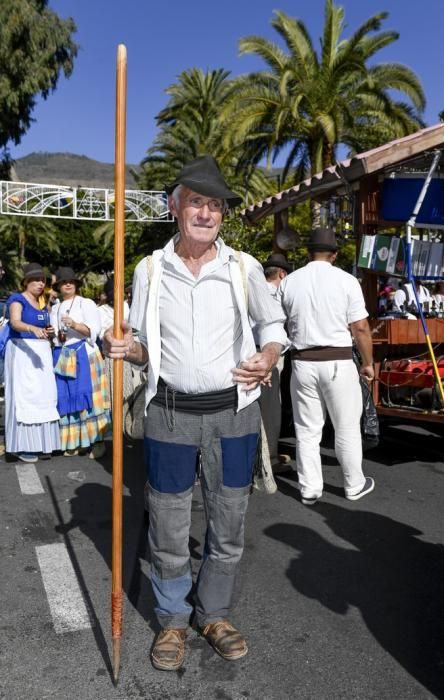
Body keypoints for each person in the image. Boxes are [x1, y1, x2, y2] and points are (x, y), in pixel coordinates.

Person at [104, 155, 287, 671]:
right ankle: (171, 620)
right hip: (170, 413)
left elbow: (273, 327)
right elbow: (141, 345)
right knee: (166, 519)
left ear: (222, 214)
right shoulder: (150, 269)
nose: (206, 213)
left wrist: (268, 355)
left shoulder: (243, 268)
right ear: (174, 207)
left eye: (215, 205)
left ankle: (215, 614)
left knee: (228, 520)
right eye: (196, 202)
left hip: (234, 415)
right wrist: (120, 346)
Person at [279, 228, 375, 505]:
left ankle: (309, 489)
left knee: (307, 430)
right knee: (345, 427)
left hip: (302, 363)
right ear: (334, 254)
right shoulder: (346, 281)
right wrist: (368, 364)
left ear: (309, 252)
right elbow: (360, 327)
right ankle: (353, 484)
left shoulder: (290, 281)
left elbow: (277, 323)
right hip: (338, 362)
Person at [50, 267, 111, 459]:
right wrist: (52, 335)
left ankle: (97, 441)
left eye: (71, 281)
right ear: (59, 286)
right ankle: (76, 442)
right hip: (63, 355)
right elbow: (56, 337)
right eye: (63, 281)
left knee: (91, 400)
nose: (67, 284)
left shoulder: (86, 303)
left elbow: (94, 332)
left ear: (76, 284)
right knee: (68, 399)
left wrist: (75, 325)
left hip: (85, 354)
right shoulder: (54, 308)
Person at [4, 262, 60, 462]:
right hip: (22, 352)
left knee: (43, 395)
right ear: (26, 281)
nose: (39, 283)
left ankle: (42, 444)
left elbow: (43, 326)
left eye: (42, 279)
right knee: (23, 396)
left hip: (42, 353)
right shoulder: (17, 299)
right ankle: (21, 445)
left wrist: (48, 331)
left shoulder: (44, 303)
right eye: (35, 279)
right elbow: (15, 322)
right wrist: (32, 329)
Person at [260, 253, 293, 472]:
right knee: (271, 408)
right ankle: (269, 458)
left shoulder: (251, 290)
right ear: (282, 274)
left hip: (244, 353)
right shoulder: (278, 297)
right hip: (269, 355)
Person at [98, 277, 134, 402]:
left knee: (128, 392)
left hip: (126, 353)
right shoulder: (101, 311)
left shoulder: (126, 306)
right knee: (114, 393)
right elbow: (101, 333)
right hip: (111, 354)